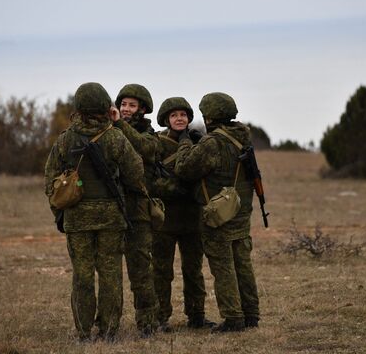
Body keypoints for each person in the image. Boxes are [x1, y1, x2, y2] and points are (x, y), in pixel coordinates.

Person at [44, 82, 144, 342]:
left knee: (82, 276)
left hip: (77, 221)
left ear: (78, 107)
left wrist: (60, 212)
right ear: (105, 106)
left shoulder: (65, 139)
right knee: (111, 273)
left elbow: (49, 181)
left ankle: (84, 332)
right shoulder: (115, 137)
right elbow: (136, 172)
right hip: (111, 219)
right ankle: (110, 331)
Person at [174, 92, 260, 333]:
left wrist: (184, 143)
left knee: (223, 268)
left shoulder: (213, 143)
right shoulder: (242, 136)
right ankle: (251, 314)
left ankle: (233, 318)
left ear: (209, 116)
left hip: (218, 215)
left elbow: (184, 168)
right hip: (240, 212)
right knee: (243, 265)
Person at [152, 97, 215, 331]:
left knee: (194, 271)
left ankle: (197, 315)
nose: (179, 118)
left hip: (192, 219)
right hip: (164, 221)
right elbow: (147, 178)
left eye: (183, 115)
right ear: (166, 119)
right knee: (160, 272)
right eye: (174, 115)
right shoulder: (157, 144)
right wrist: (169, 187)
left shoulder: (200, 142)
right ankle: (159, 318)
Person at [111, 83, 160, 336]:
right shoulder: (110, 131)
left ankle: (148, 324)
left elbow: (144, 149)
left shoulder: (150, 135)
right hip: (111, 211)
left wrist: (120, 125)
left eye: (132, 105)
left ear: (142, 108)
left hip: (139, 211)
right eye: (123, 104)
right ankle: (109, 326)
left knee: (141, 271)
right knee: (110, 274)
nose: (126, 109)